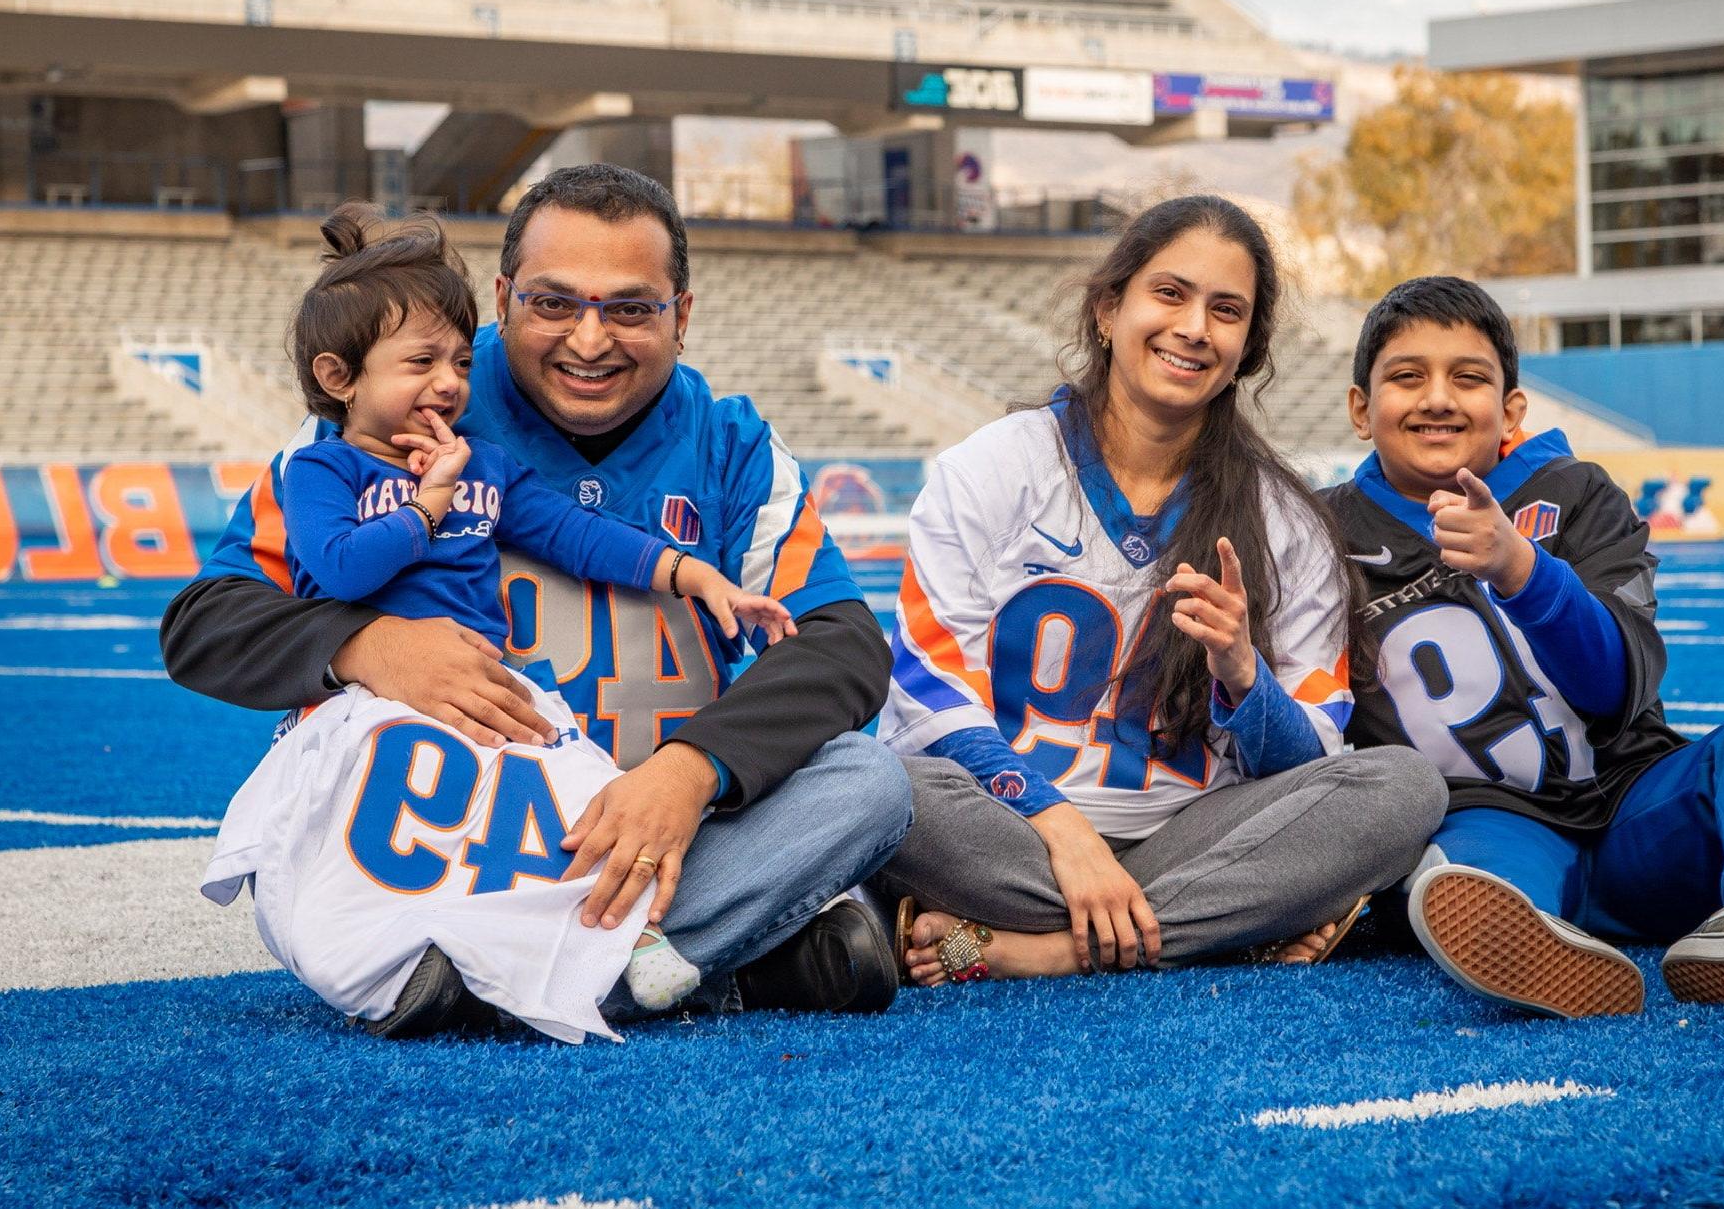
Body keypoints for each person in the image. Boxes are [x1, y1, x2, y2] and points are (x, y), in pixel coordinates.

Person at [164, 165, 912, 1031]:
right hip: (446, 832)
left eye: (630, 307)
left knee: (868, 780)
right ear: (505, 296)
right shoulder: (403, 407)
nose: (589, 339)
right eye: (554, 302)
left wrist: (688, 771)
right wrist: (367, 645)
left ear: (682, 315)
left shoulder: (730, 441)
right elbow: (206, 620)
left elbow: (840, 644)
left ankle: (480, 982)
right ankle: (720, 962)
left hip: (650, 841)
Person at [873, 195, 1446, 985]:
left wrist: (1244, 677)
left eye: (1225, 310)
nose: (1193, 328)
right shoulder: (991, 468)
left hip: (1190, 832)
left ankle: (1044, 950)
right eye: (1169, 294)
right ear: (1109, 308)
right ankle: (1221, 926)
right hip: (1008, 831)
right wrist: (1063, 830)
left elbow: (1314, 749)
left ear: (1246, 346)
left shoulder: (1285, 519)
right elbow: (929, 700)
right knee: (867, 782)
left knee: (1401, 787)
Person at [1324, 275, 1724, 1016]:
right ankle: (1534, 943)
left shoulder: (1576, 493)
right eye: (1405, 376)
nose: (1436, 398)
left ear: (1510, 407)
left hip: (1629, 802)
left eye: (1467, 377)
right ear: (1360, 408)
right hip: (1485, 814)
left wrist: (1519, 569)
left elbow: (1618, 684)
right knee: (1467, 883)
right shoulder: (1319, 535)